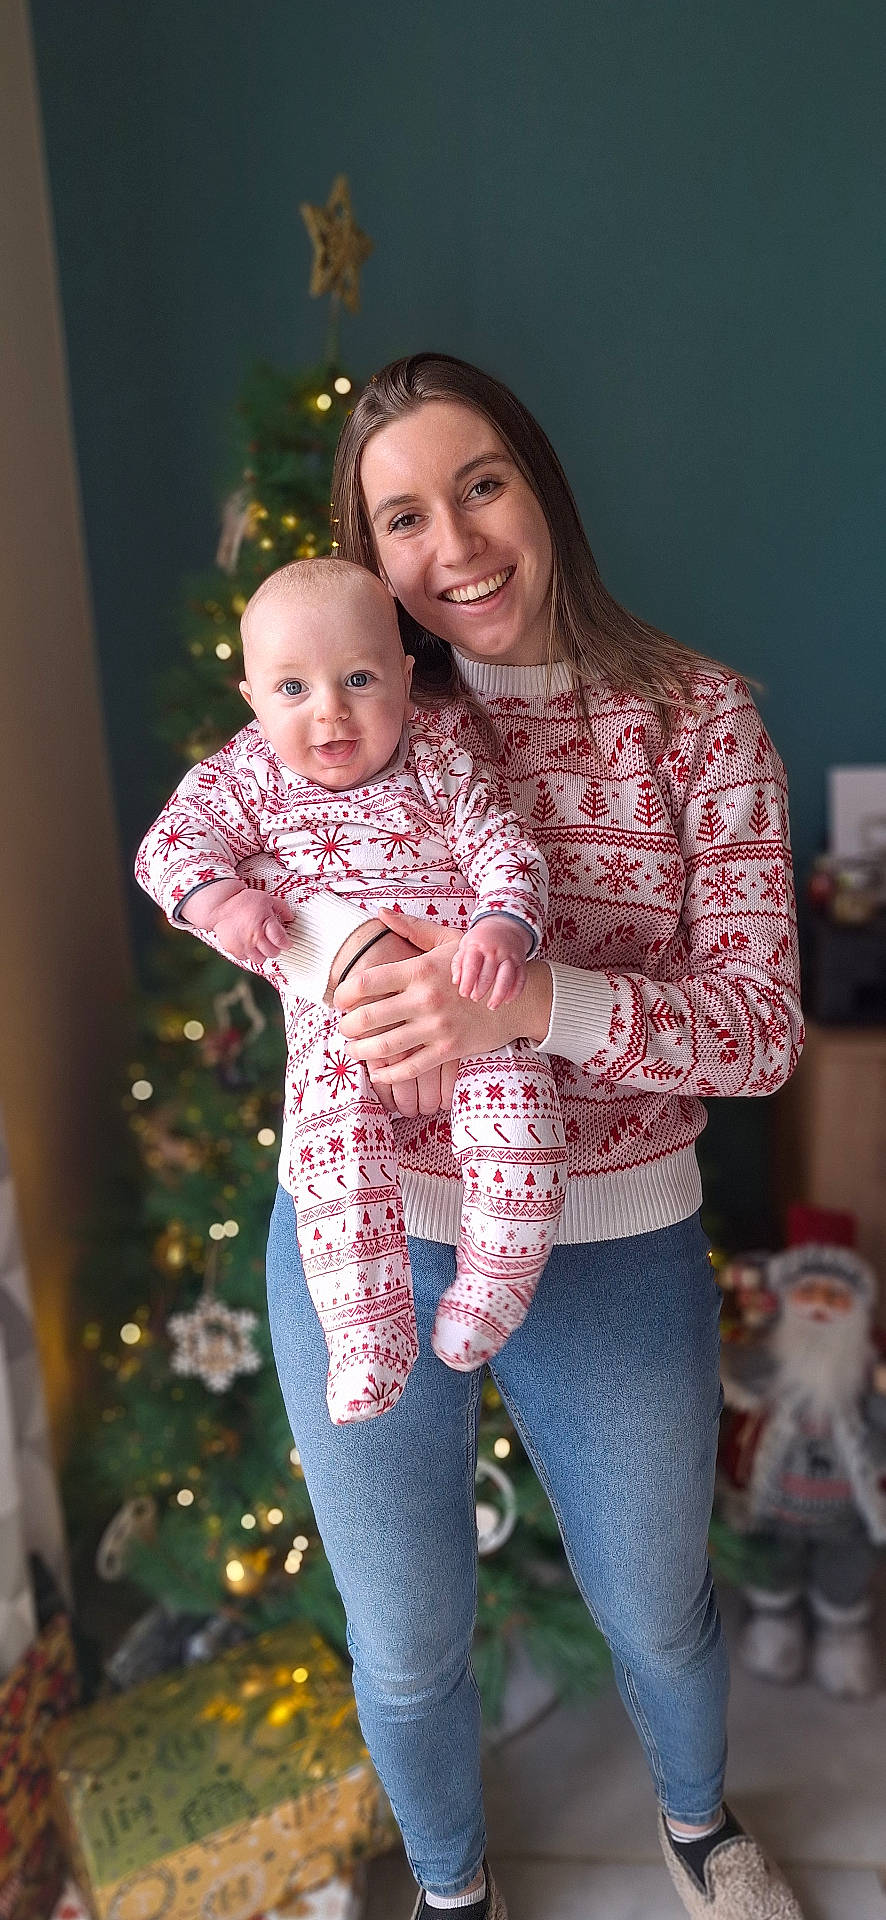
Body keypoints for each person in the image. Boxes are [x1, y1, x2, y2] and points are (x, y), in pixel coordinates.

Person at [255, 354, 806, 1920]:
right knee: (409, 1638)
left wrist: (535, 1006)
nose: (456, 546)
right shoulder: (350, 715)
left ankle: (697, 1827)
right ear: (365, 563)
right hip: (363, 1220)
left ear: (538, 484)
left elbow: (759, 1030)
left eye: (478, 485)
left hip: (614, 1229)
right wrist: (343, 959)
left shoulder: (697, 720)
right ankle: (450, 1888)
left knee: (654, 1604)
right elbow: (234, 870)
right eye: (402, 519)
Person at [136, 556, 566, 1426]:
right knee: (336, 1163)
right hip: (345, 1033)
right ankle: (366, 1332)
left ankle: (495, 1281)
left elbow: (504, 848)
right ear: (252, 697)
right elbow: (166, 848)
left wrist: (500, 930)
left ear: (406, 681)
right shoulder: (249, 772)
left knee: (521, 1122)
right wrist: (221, 902)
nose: (328, 710)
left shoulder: (440, 754)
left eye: (359, 679)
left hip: (471, 1007)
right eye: (292, 688)